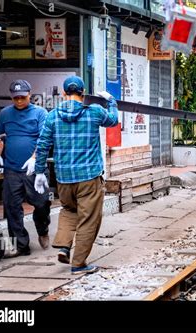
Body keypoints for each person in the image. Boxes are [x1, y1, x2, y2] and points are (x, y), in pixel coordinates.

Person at [34, 76, 118, 275]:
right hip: (89, 177)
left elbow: (43, 145)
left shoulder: (52, 115)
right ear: (83, 92)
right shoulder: (94, 112)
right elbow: (113, 120)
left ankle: (64, 246)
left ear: (64, 94)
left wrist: (39, 171)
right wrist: (111, 101)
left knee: (69, 210)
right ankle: (79, 264)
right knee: (88, 219)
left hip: (63, 178)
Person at [0, 79, 51, 258]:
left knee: (41, 203)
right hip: (12, 169)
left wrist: (34, 158)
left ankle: (42, 229)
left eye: (22, 97)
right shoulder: (5, 114)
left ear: (30, 95)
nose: (19, 101)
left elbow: (44, 139)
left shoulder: (40, 113)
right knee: (11, 207)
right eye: (15, 98)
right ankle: (21, 245)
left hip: (34, 170)